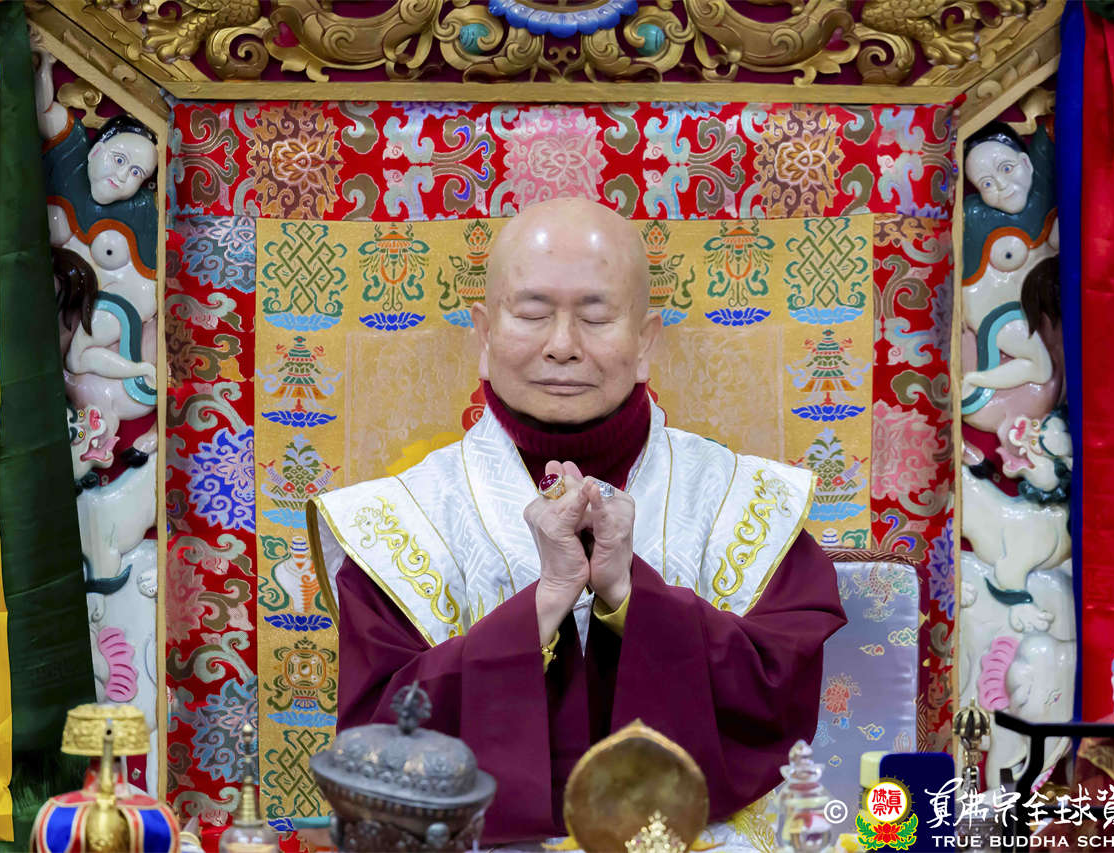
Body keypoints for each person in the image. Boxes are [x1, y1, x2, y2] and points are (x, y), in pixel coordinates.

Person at [307, 198, 847, 847]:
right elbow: (375, 751)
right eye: (532, 314)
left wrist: (629, 593)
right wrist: (545, 603)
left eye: (595, 317)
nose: (562, 347)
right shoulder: (397, 519)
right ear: (483, 335)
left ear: (646, 342)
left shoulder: (744, 501)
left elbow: (778, 706)